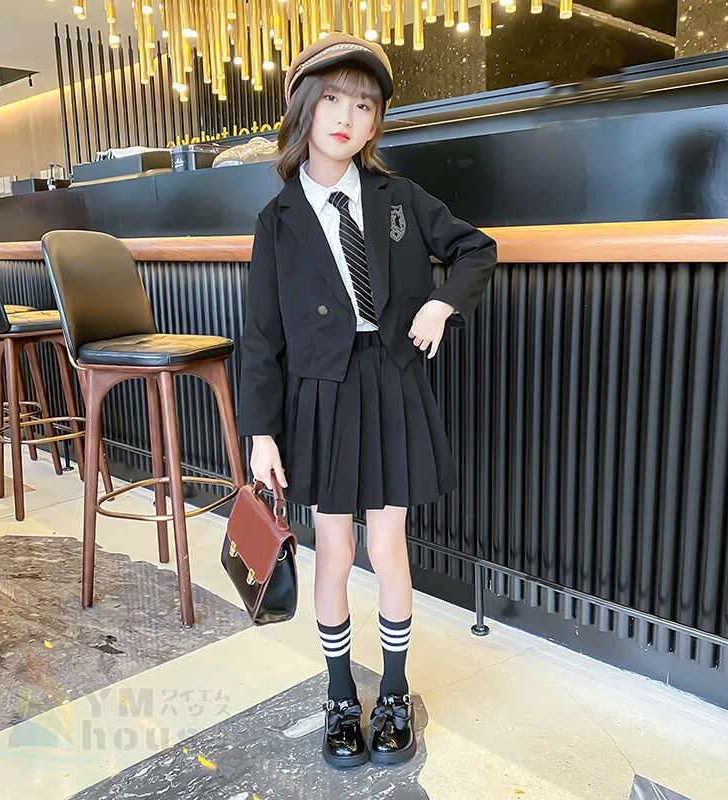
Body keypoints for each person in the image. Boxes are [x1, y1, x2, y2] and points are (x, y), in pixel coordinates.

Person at [236, 31, 498, 769]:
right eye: (332, 100)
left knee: (387, 547)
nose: (347, 117)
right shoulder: (277, 220)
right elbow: (261, 337)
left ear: (377, 120)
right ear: (304, 109)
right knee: (335, 550)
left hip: (391, 384)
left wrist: (442, 304)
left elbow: (476, 248)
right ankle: (338, 696)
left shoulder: (398, 198)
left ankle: (394, 694)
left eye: (363, 105)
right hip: (318, 396)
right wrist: (262, 433)